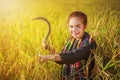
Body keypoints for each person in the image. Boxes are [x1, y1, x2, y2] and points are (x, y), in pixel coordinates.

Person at [39, 11, 97, 80]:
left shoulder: (89, 43)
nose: (74, 30)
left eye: (78, 26)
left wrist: (48, 57)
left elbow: (73, 56)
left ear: (85, 26)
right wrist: (48, 47)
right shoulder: (70, 40)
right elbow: (61, 59)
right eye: (71, 26)